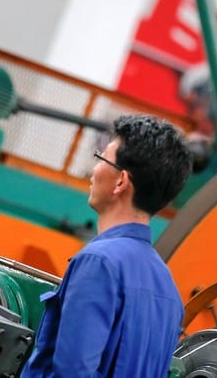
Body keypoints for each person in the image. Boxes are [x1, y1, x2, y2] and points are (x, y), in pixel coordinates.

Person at [21, 114, 192, 378]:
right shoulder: (169, 289)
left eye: (102, 159)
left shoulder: (99, 262)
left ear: (121, 181)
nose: (94, 171)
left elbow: (73, 372)